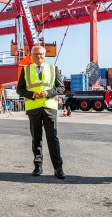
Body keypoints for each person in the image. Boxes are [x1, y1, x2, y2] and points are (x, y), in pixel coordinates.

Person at [16, 45, 66, 180]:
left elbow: (61, 87)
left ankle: (58, 168)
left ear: (45, 55)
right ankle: (38, 166)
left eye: (41, 54)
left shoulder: (53, 68)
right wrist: (32, 94)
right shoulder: (25, 70)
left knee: (52, 138)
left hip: (49, 107)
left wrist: (48, 93)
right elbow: (19, 89)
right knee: (36, 139)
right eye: (36, 54)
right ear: (31, 56)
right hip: (33, 108)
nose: (38, 56)